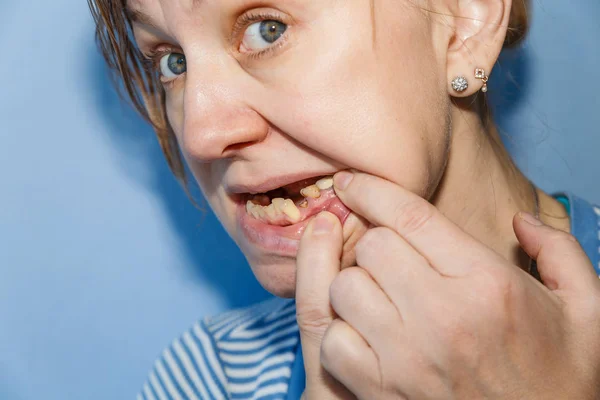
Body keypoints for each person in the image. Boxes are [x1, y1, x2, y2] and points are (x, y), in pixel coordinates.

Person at [89, 0, 600, 398]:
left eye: (267, 28)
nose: (200, 134)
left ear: (464, 21)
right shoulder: (211, 377)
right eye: (173, 61)